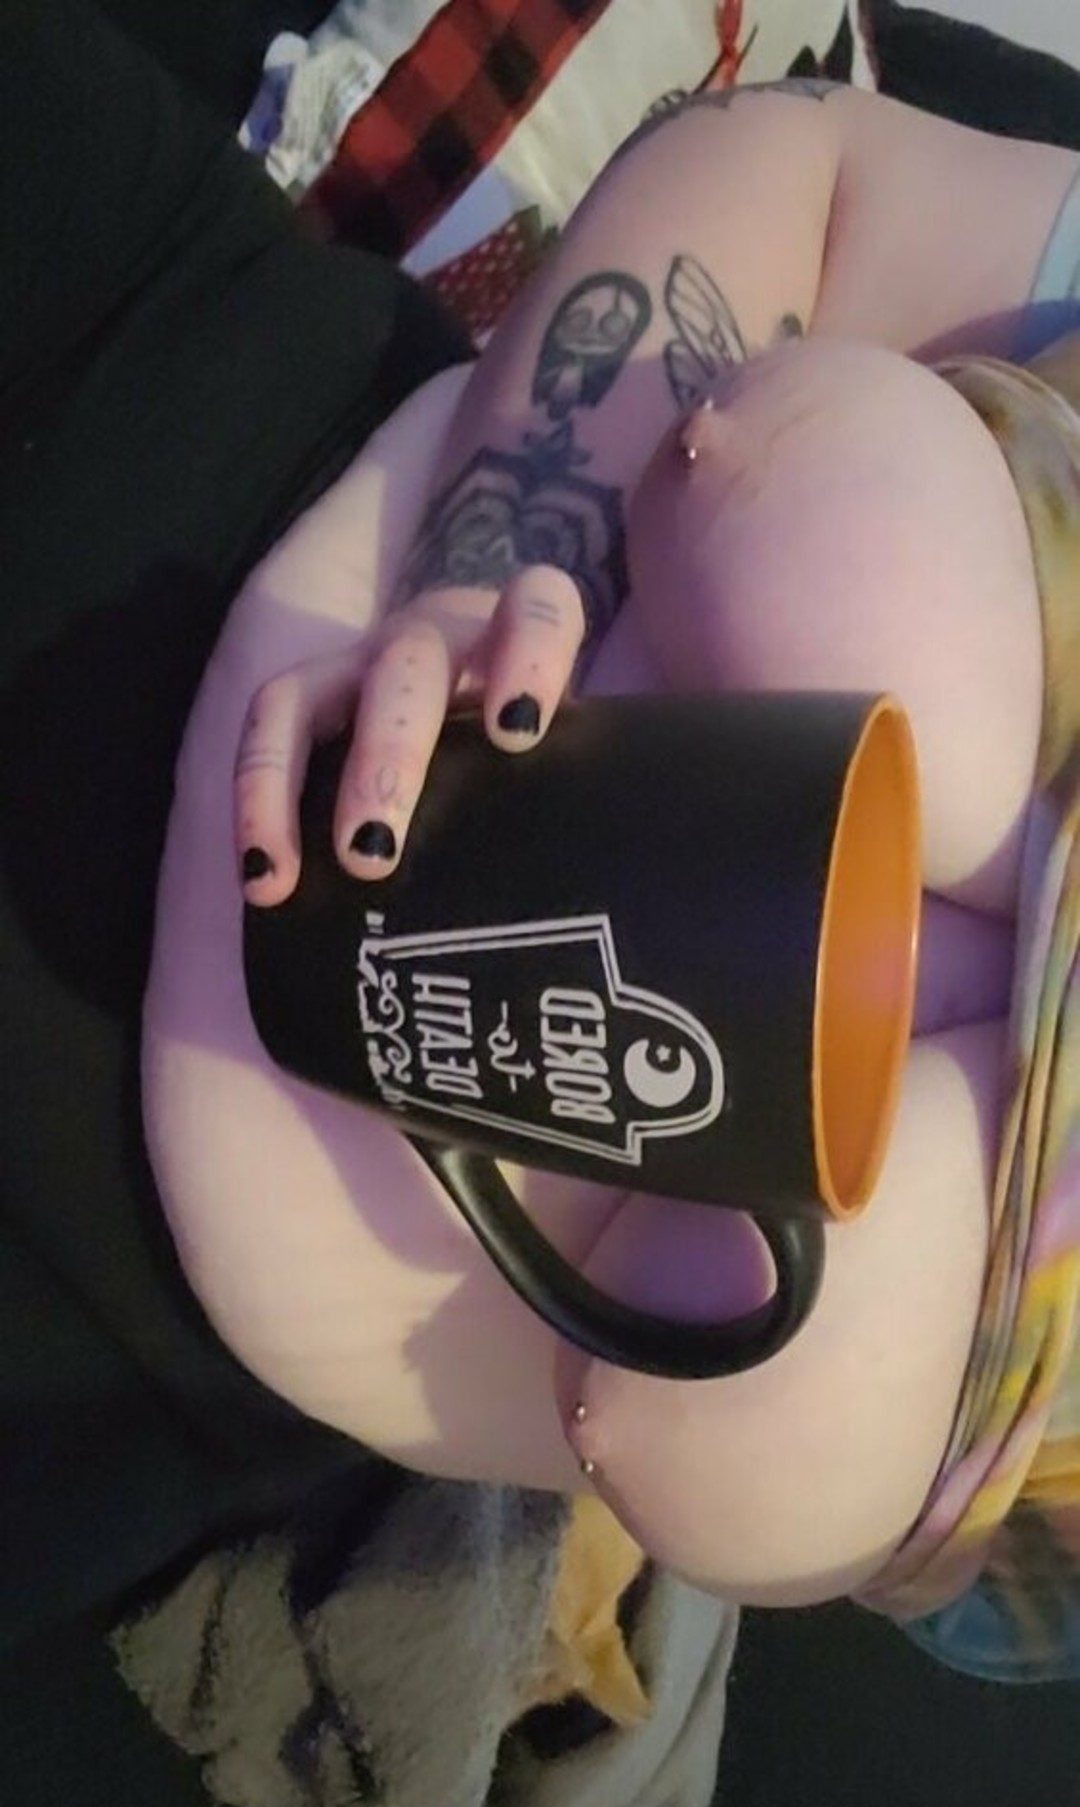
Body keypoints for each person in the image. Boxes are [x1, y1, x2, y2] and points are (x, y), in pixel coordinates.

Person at [139, 77, 1080, 1681]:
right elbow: (789, 165)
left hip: (134, 1343)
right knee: (860, 542)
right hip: (199, 457)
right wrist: (493, 569)